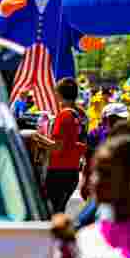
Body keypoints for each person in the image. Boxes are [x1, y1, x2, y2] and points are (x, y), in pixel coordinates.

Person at [41, 79, 88, 214]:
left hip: (58, 171)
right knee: (59, 211)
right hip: (73, 171)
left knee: (52, 214)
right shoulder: (81, 115)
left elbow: (57, 147)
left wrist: (38, 139)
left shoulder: (64, 115)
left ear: (59, 94)